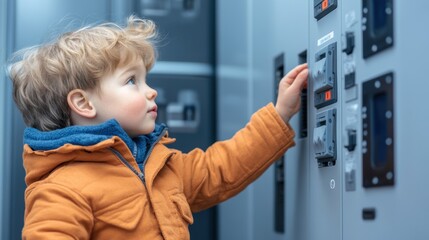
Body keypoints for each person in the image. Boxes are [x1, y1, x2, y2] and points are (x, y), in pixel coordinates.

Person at [8, 16, 308, 239]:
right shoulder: (62, 189)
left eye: (145, 80)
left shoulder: (160, 165)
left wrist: (281, 114)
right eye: (131, 81)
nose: (151, 91)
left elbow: (222, 168)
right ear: (84, 104)